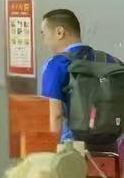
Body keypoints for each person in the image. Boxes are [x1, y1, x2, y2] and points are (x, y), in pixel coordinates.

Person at [39, 9, 118, 141]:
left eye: (44, 34)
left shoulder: (56, 64)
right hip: (110, 144)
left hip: (72, 147)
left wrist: (51, 149)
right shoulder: (109, 60)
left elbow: (55, 114)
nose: (44, 42)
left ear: (59, 32)